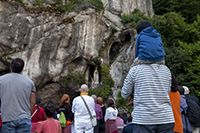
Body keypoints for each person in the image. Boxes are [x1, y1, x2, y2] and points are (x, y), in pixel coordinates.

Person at [121, 62, 174, 131]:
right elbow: (167, 91)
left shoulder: (135, 70)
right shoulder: (166, 70)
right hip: (165, 118)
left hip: (143, 118)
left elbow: (124, 94)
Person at [0, 58, 36, 133]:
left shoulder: (1, 80)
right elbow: (32, 103)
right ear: (22, 69)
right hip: (25, 118)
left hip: (7, 118)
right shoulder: (30, 83)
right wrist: (28, 114)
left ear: (10, 67)